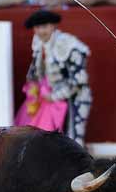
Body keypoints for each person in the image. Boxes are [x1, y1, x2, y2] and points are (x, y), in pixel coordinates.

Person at [15, 10, 92, 146]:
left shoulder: (68, 44)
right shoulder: (39, 42)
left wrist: (55, 96)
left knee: (74, 138)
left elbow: (79, 79)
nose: (40, 31)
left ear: (53, 26)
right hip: (51, 97)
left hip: (75, 97)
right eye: (37, 27)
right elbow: (35, 71)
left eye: (44, 27)